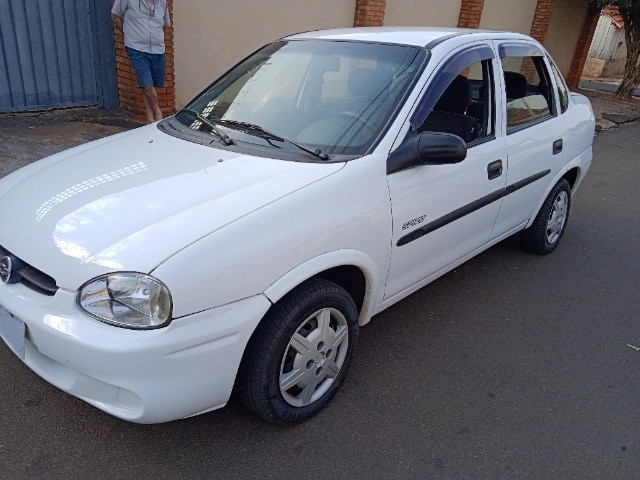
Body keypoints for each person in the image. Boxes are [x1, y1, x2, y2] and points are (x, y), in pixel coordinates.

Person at [111, 0, 171, 123]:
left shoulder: (162, 2)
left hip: (158, 49)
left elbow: (165, 25)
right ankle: (157, 113)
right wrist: (129, 35)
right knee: (147, 83)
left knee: (151, 85)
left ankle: (150, 118)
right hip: (137, 48)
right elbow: (114, 16)